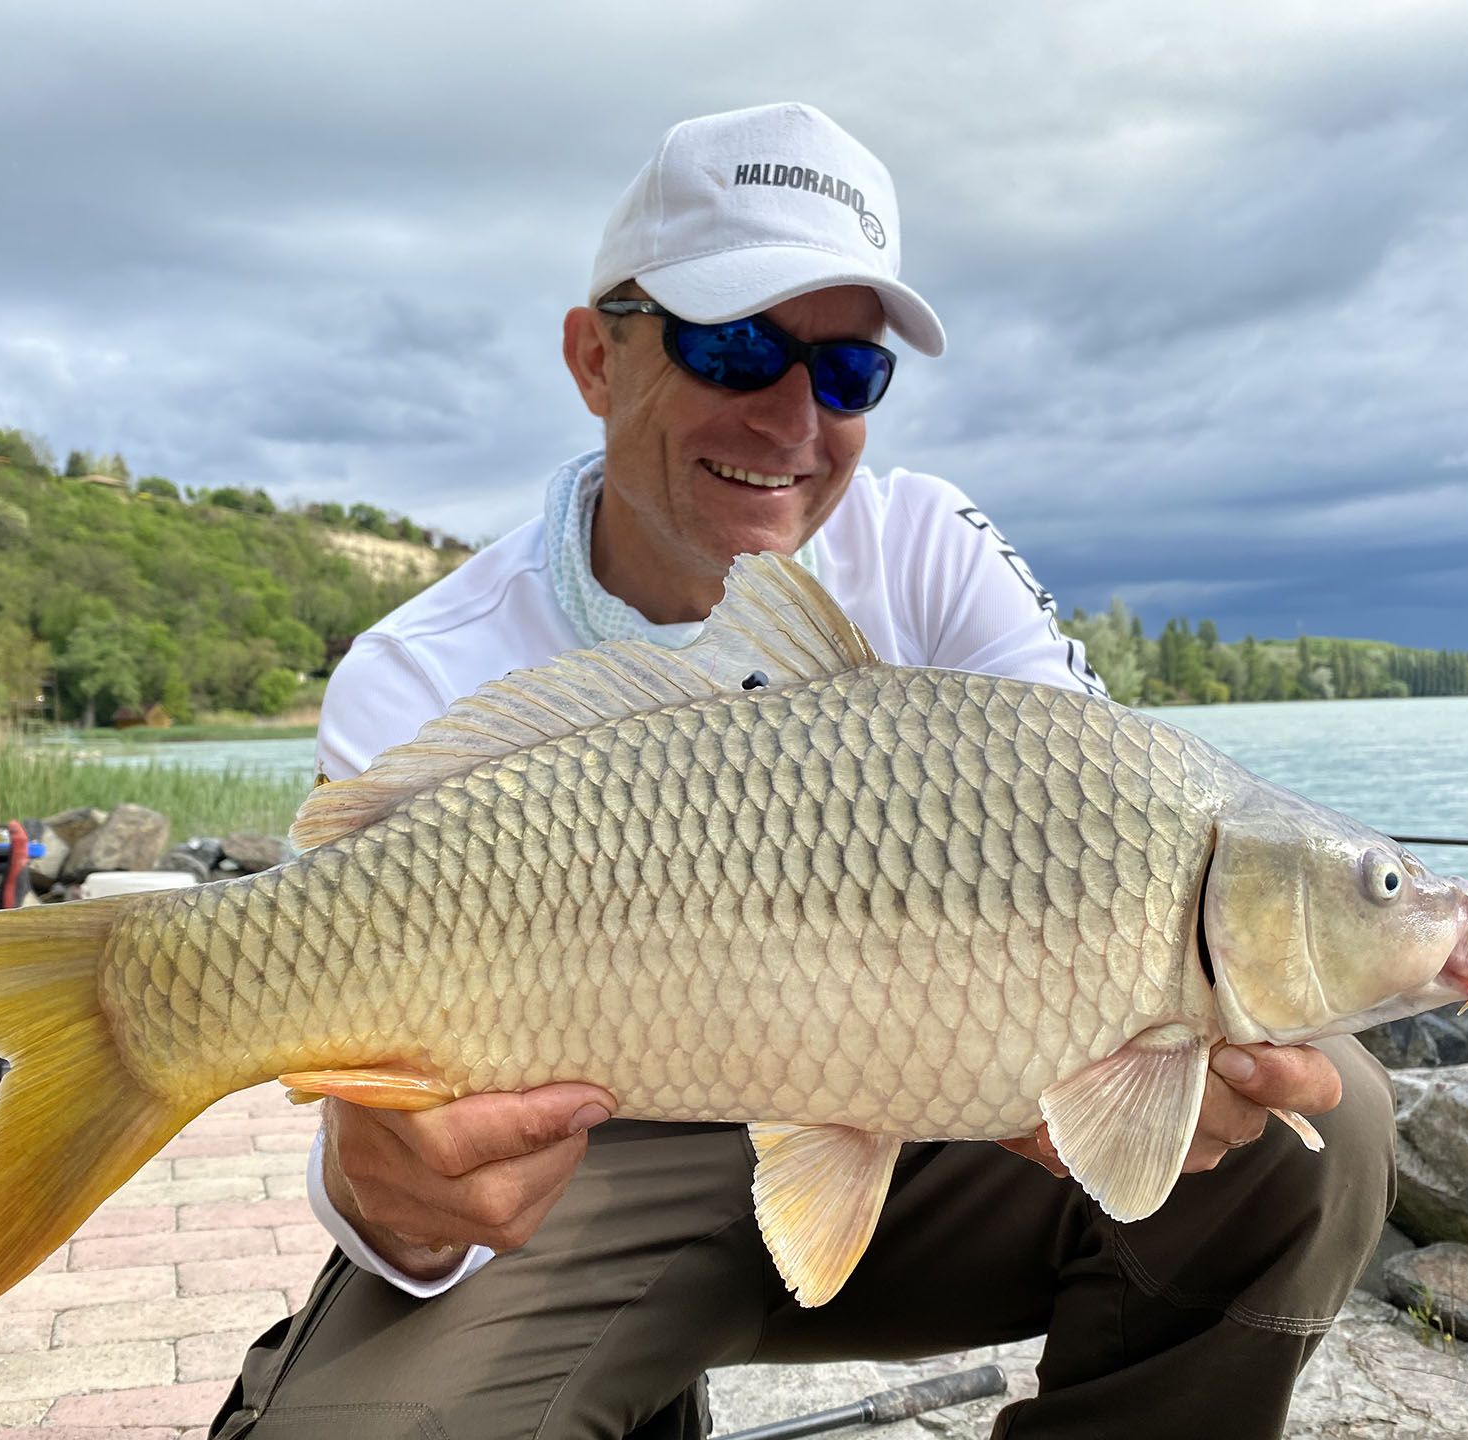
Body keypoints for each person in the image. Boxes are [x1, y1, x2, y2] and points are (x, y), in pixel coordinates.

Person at [212, 102, 1397, 1440]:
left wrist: (1154, 1036)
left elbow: (1113, 824)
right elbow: (377, 1128)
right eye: (735, 348)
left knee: (1321, 1121)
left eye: (849, 374)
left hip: (923, 1134)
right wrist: (389, 1199)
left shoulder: (931, 545)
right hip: (586, 1157)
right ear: (595, 357)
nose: (791, 417)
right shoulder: (420, 671)